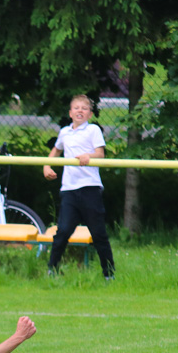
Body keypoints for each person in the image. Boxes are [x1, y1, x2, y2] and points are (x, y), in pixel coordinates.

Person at [43, 95, 115, 279]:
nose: (80, 111)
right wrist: (47, 165)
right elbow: (56, 150)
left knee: (98, 233)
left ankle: (109, 274)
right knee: (63, 231)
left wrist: (88, 156)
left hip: (90, 188)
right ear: (70, 113)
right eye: (76, 108)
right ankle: (52, 269)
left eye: (84, 108)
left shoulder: (93, 130)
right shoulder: (65, 132)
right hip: (69, 190)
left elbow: (100, 154)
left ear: (90, 113)